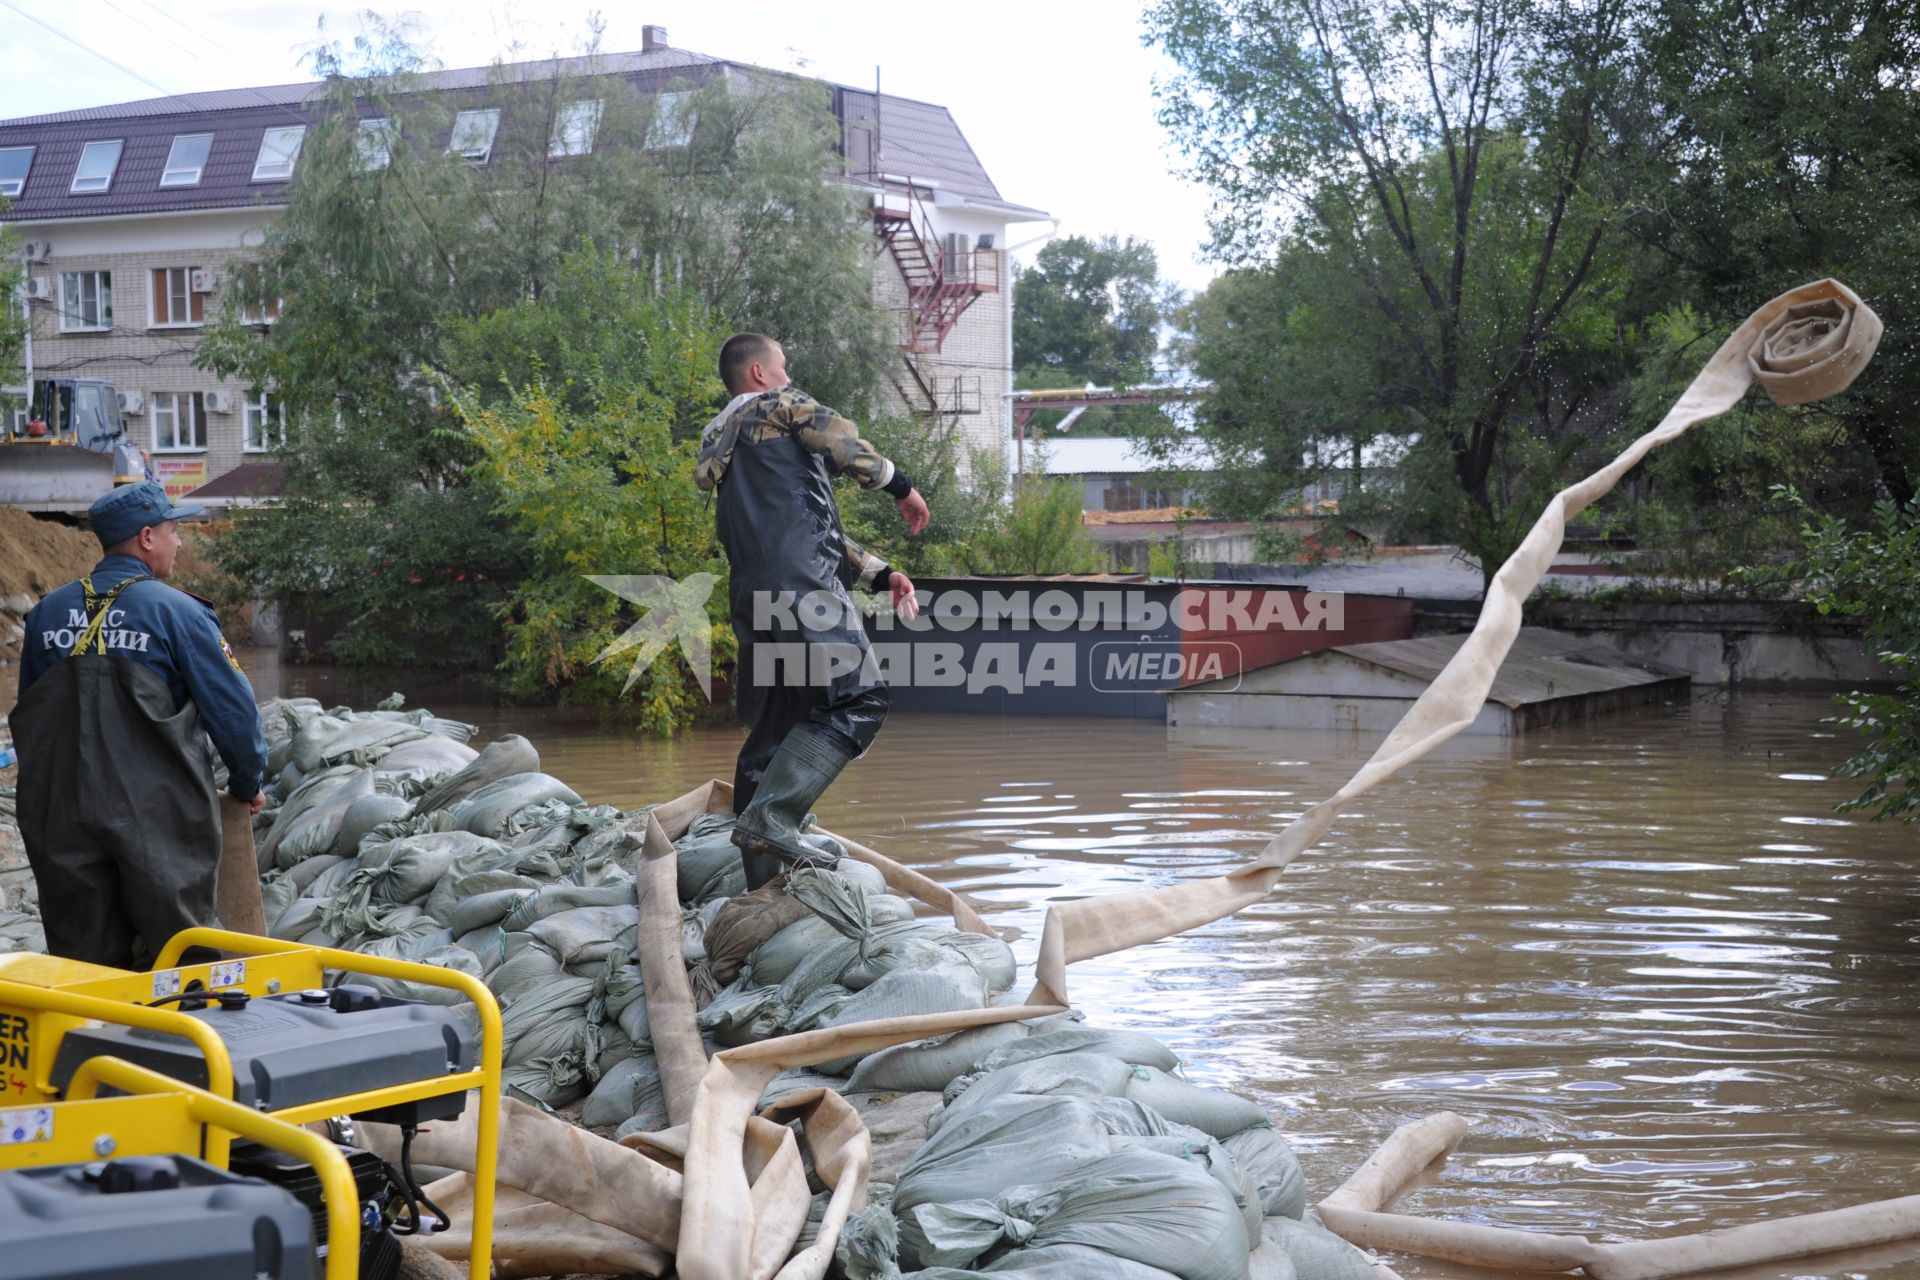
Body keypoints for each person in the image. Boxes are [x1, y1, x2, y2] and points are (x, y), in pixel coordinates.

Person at [697, 333, 926, 888]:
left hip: (755, 593)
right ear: (758, 373)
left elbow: (798, 524)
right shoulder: (780, 406)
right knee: (860, 697)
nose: (789, 371)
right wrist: (904, 488)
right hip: (802, 587)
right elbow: (844, 444)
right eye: (783, 364)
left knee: (776, 726)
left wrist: (883, 573)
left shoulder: (721, 442)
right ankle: (773, 819)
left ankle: (761, 883)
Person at [11, 480, 268, 968]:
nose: (181, 542)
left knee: (83, 962)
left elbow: (30, 720)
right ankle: (186, 1041)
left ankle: (93, 1043)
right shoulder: (180, 614)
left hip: (59, 816)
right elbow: (233, 715)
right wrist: (247, 782)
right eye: (174, 531)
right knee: (182, 955)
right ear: (146, 537)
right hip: (158, 821)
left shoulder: (46, 614)